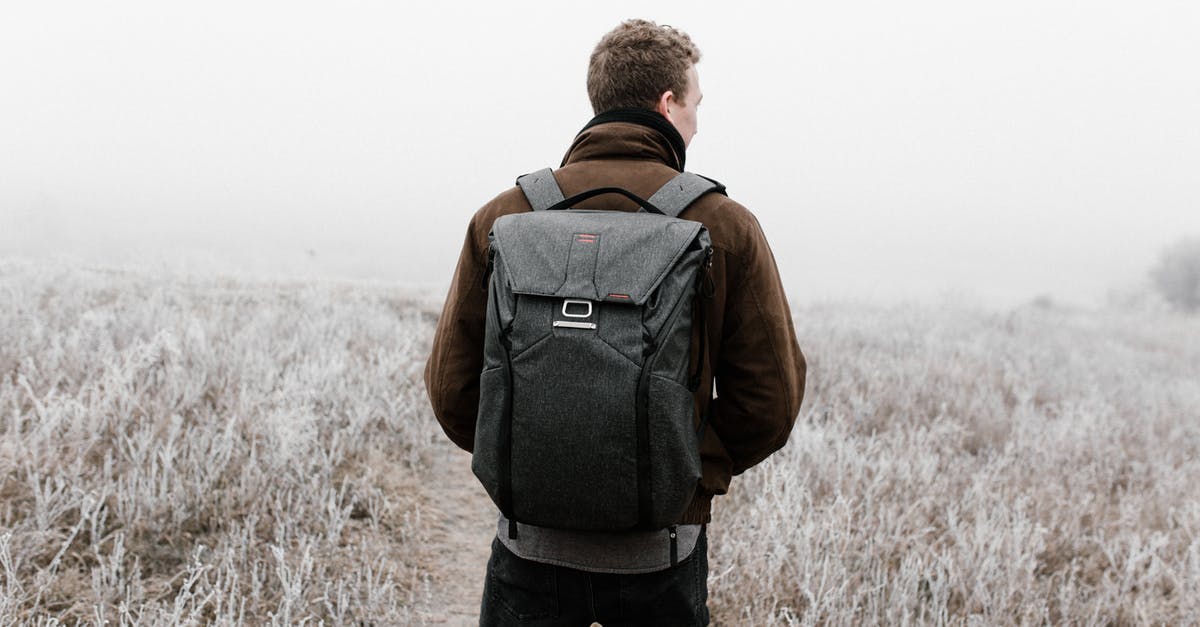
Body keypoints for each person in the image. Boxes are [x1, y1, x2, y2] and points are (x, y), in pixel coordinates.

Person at [424, 19, 806, 626]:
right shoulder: (725, 225)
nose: (699, 122)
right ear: (668, 103)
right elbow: (770, 402)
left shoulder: (504, 216)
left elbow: (451, 389)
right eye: (697, 104)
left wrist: (531, 458)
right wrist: (684, 474)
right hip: (661, 557)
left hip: (529, 551)